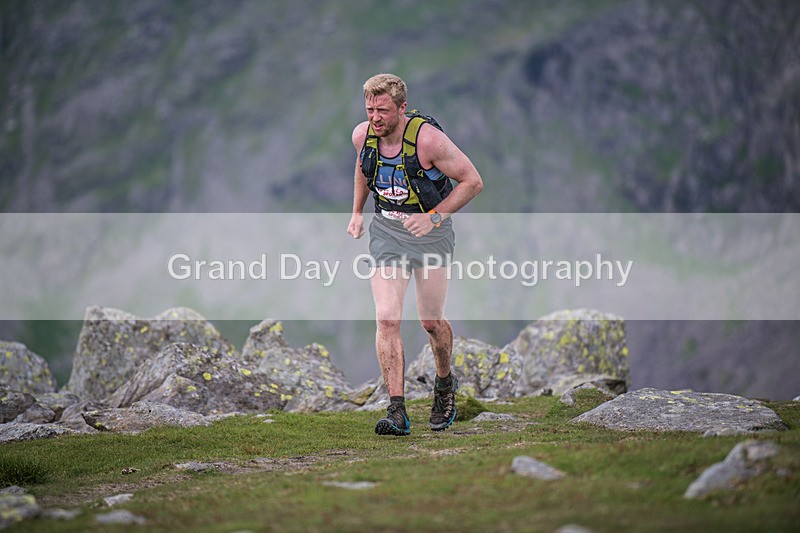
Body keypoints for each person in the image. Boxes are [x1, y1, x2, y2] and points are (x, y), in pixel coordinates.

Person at [346, 73, 483, 436]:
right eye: (370, 109)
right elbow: (363, 168)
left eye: (383, 110)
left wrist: (433, 217)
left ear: (402, 108)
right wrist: (357, 212)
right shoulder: (363, 136)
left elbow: (472, 181)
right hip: (387, 234)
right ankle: (397, 411)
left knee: (431, 322)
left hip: (431, 237)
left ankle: (444, 385)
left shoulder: (429, 141)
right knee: (387, 319)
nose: (375, 118)